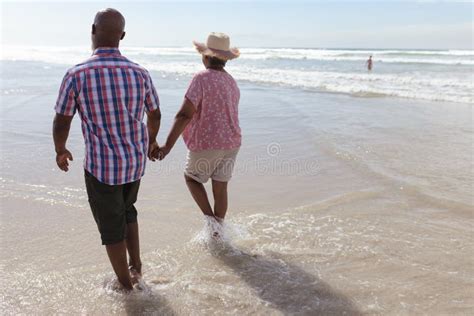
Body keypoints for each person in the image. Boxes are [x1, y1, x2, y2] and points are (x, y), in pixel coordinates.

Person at [52, 8, 161, 290]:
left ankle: (126, 286)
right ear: (122, 36)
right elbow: (155, 113)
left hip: (102, 168)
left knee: (112, 227)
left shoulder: (77, 74)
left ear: (92, 30)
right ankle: (136, 266)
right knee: (128, 211)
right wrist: (151, 140)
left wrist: (61, 149)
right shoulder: (140, 73)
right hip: (135, 163)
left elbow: (63, 118)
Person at [156, 32, 241, 237]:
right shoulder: (231, 82)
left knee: (192, 178)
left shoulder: (201, 78)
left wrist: (167, 146)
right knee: (220, 188)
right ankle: (218, 232)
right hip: (232, 141)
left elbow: (185, 114)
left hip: (208, 142)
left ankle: (211, 223)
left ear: (204, 56)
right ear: (226, 60)